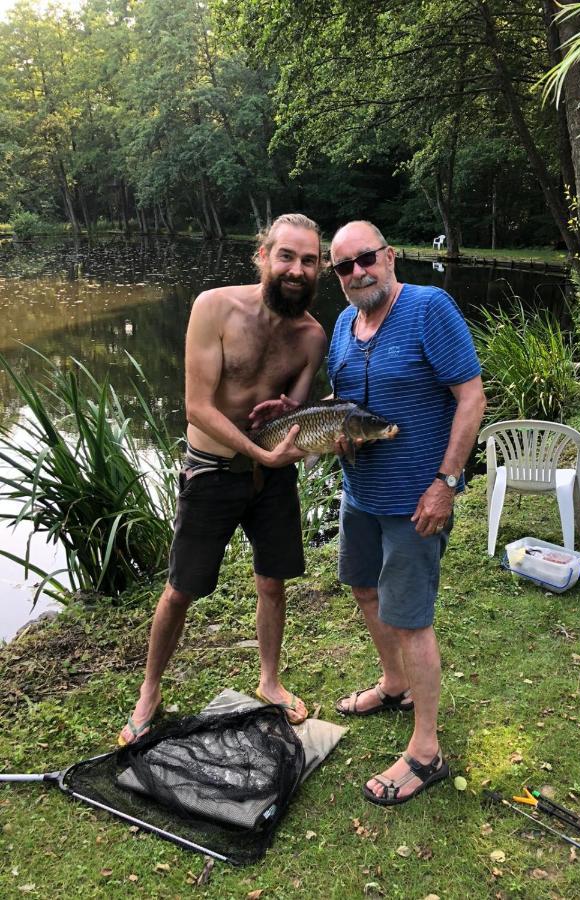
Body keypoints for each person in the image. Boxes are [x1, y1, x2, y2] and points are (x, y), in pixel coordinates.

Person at [118, 213, 327, 745]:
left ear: (320, 267)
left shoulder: (312, 337)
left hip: (271, 480)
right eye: (287, 256)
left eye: (309, 260)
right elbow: (196, 408)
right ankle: (149, 692)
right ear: (263, 256)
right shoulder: (214, 306)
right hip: (212, 472)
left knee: (272, 582)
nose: (297, 270)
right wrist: (261, 451)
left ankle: (270, 682)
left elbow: (297, 414)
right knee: (180, 589)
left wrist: (294, 415)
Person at [327, 220, 486, 805]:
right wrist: (334, 432)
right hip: (359, 495)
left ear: (388, 257)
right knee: (365, 591)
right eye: (342, 266)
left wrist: (445, 483)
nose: (356, 272)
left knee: (412, 617)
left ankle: (426, 751)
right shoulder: (344, 324)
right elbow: (347, 408)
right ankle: (395, 685)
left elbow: (470, 397)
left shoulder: (428, 307)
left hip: (416, 501)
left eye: (364, 258)